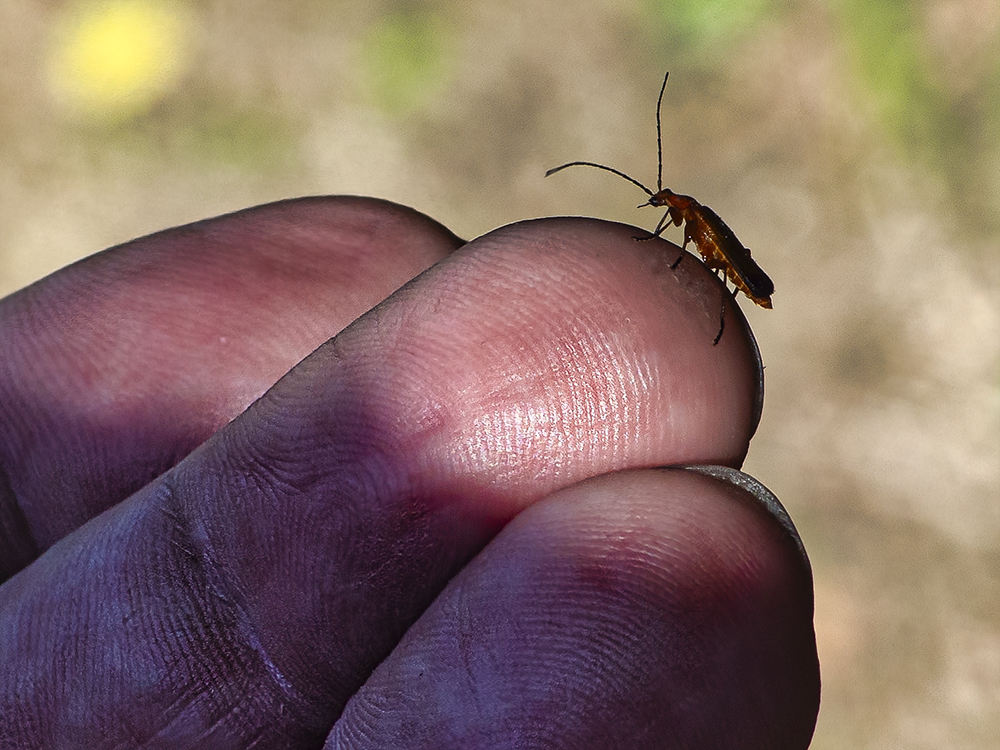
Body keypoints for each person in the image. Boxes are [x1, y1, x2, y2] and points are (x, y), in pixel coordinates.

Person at [0, 196, 819, 748]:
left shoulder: (699, 229)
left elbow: (703, 252)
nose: (663, 209)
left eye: (668, 208)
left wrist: (706, 272)